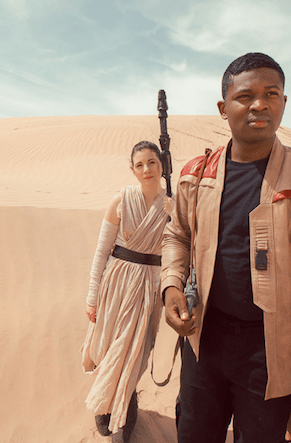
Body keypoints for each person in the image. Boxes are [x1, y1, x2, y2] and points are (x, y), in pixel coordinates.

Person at [161, 52, 291, 443]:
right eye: (245, 96)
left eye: (271, 94)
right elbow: (178, 235)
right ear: (223, 108)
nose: (260, 104)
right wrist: (171, 284)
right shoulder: (194, 176)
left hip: (276, 357)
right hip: (203, 345)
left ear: (283, 103)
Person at [81, 140, 175, 442]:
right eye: (139, 165)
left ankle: (126, 402)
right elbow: (101, 252)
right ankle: (107, 402)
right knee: (112, 346)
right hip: (117, 283)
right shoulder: (120, 200)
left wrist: (176, 216)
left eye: (152, 162)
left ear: (161, 165)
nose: (146, 169)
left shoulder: (172, 205)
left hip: (149, 286)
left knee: (135, 349)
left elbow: (181, 249)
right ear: (132, 170)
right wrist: (92, 298)